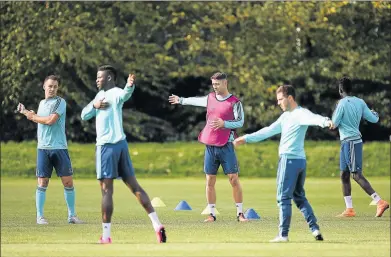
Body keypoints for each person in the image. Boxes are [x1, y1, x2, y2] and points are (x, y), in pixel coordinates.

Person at [233, 85, 331, 242]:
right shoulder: (286, 116)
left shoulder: (300, 114)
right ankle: (315, 230)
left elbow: (315, 119)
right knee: (299, 197)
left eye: (280, 99)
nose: (278, 103)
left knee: (283, 197)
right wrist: (246, 138)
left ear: (290, 98)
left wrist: (326, 121)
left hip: (289, 160)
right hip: (300, 161)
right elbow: (267, 131)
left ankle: (283, 235)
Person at [81, 65, 166, 244]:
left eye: (100, 77)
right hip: (122, 146)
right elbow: (84, 114)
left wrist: (130, 85)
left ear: (110, 78)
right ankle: (157, 225)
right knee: (135, 187)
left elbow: (125, 94)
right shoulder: (99, 96)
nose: (97, 80)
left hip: (106, 148)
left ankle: (105, 236)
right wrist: (94, 105)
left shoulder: (116, 92)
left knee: (106, 192)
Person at [169, 72, 248, 222]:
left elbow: (240, 122)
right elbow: (196, 101)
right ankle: (211, 214)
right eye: (213, 84)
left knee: (233, 179)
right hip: (210, 145)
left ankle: (240, 213)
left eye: (217, 84)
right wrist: (181, 100)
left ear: (225, 83)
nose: (215, 87)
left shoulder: (234, 102)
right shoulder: (210, 98)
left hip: (226, 145)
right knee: (210, 180)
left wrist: (225, 124)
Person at [17, 75, 82, 225]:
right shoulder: (41, 103)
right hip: (43, 148)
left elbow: (49, 121)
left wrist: (32, 116)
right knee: (42, 182)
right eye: (50, 86)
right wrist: (27, 113)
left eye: (55, 86)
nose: (52, 89)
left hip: (59, 147)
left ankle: (72, 216)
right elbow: (39, 117)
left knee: (68, 182)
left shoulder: (60, 102)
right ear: (44, 87)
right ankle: (40, 217)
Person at [331, 76, 389, 218]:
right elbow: (374, 118)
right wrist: (375, 112)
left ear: (340, 90)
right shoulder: (360, 102)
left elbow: (334, 123)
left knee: (356, 174)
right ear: (351, 89)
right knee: (344, 174)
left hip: (350, 142)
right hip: (348, 142)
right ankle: (349, 209)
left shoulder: (342, 104)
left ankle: (379, 201)